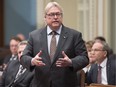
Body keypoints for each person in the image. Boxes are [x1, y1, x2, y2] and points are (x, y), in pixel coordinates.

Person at [20, 2, 89, 87]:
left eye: (58, 14)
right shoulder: (34, 36)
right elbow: (23, 57)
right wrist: (32, 61)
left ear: (61, 16)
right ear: (45, 17)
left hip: (66, 83)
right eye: (52, 14)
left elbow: (84, 58)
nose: (55, 17)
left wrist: (71, 62)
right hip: (41, 83)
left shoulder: (74, 35)